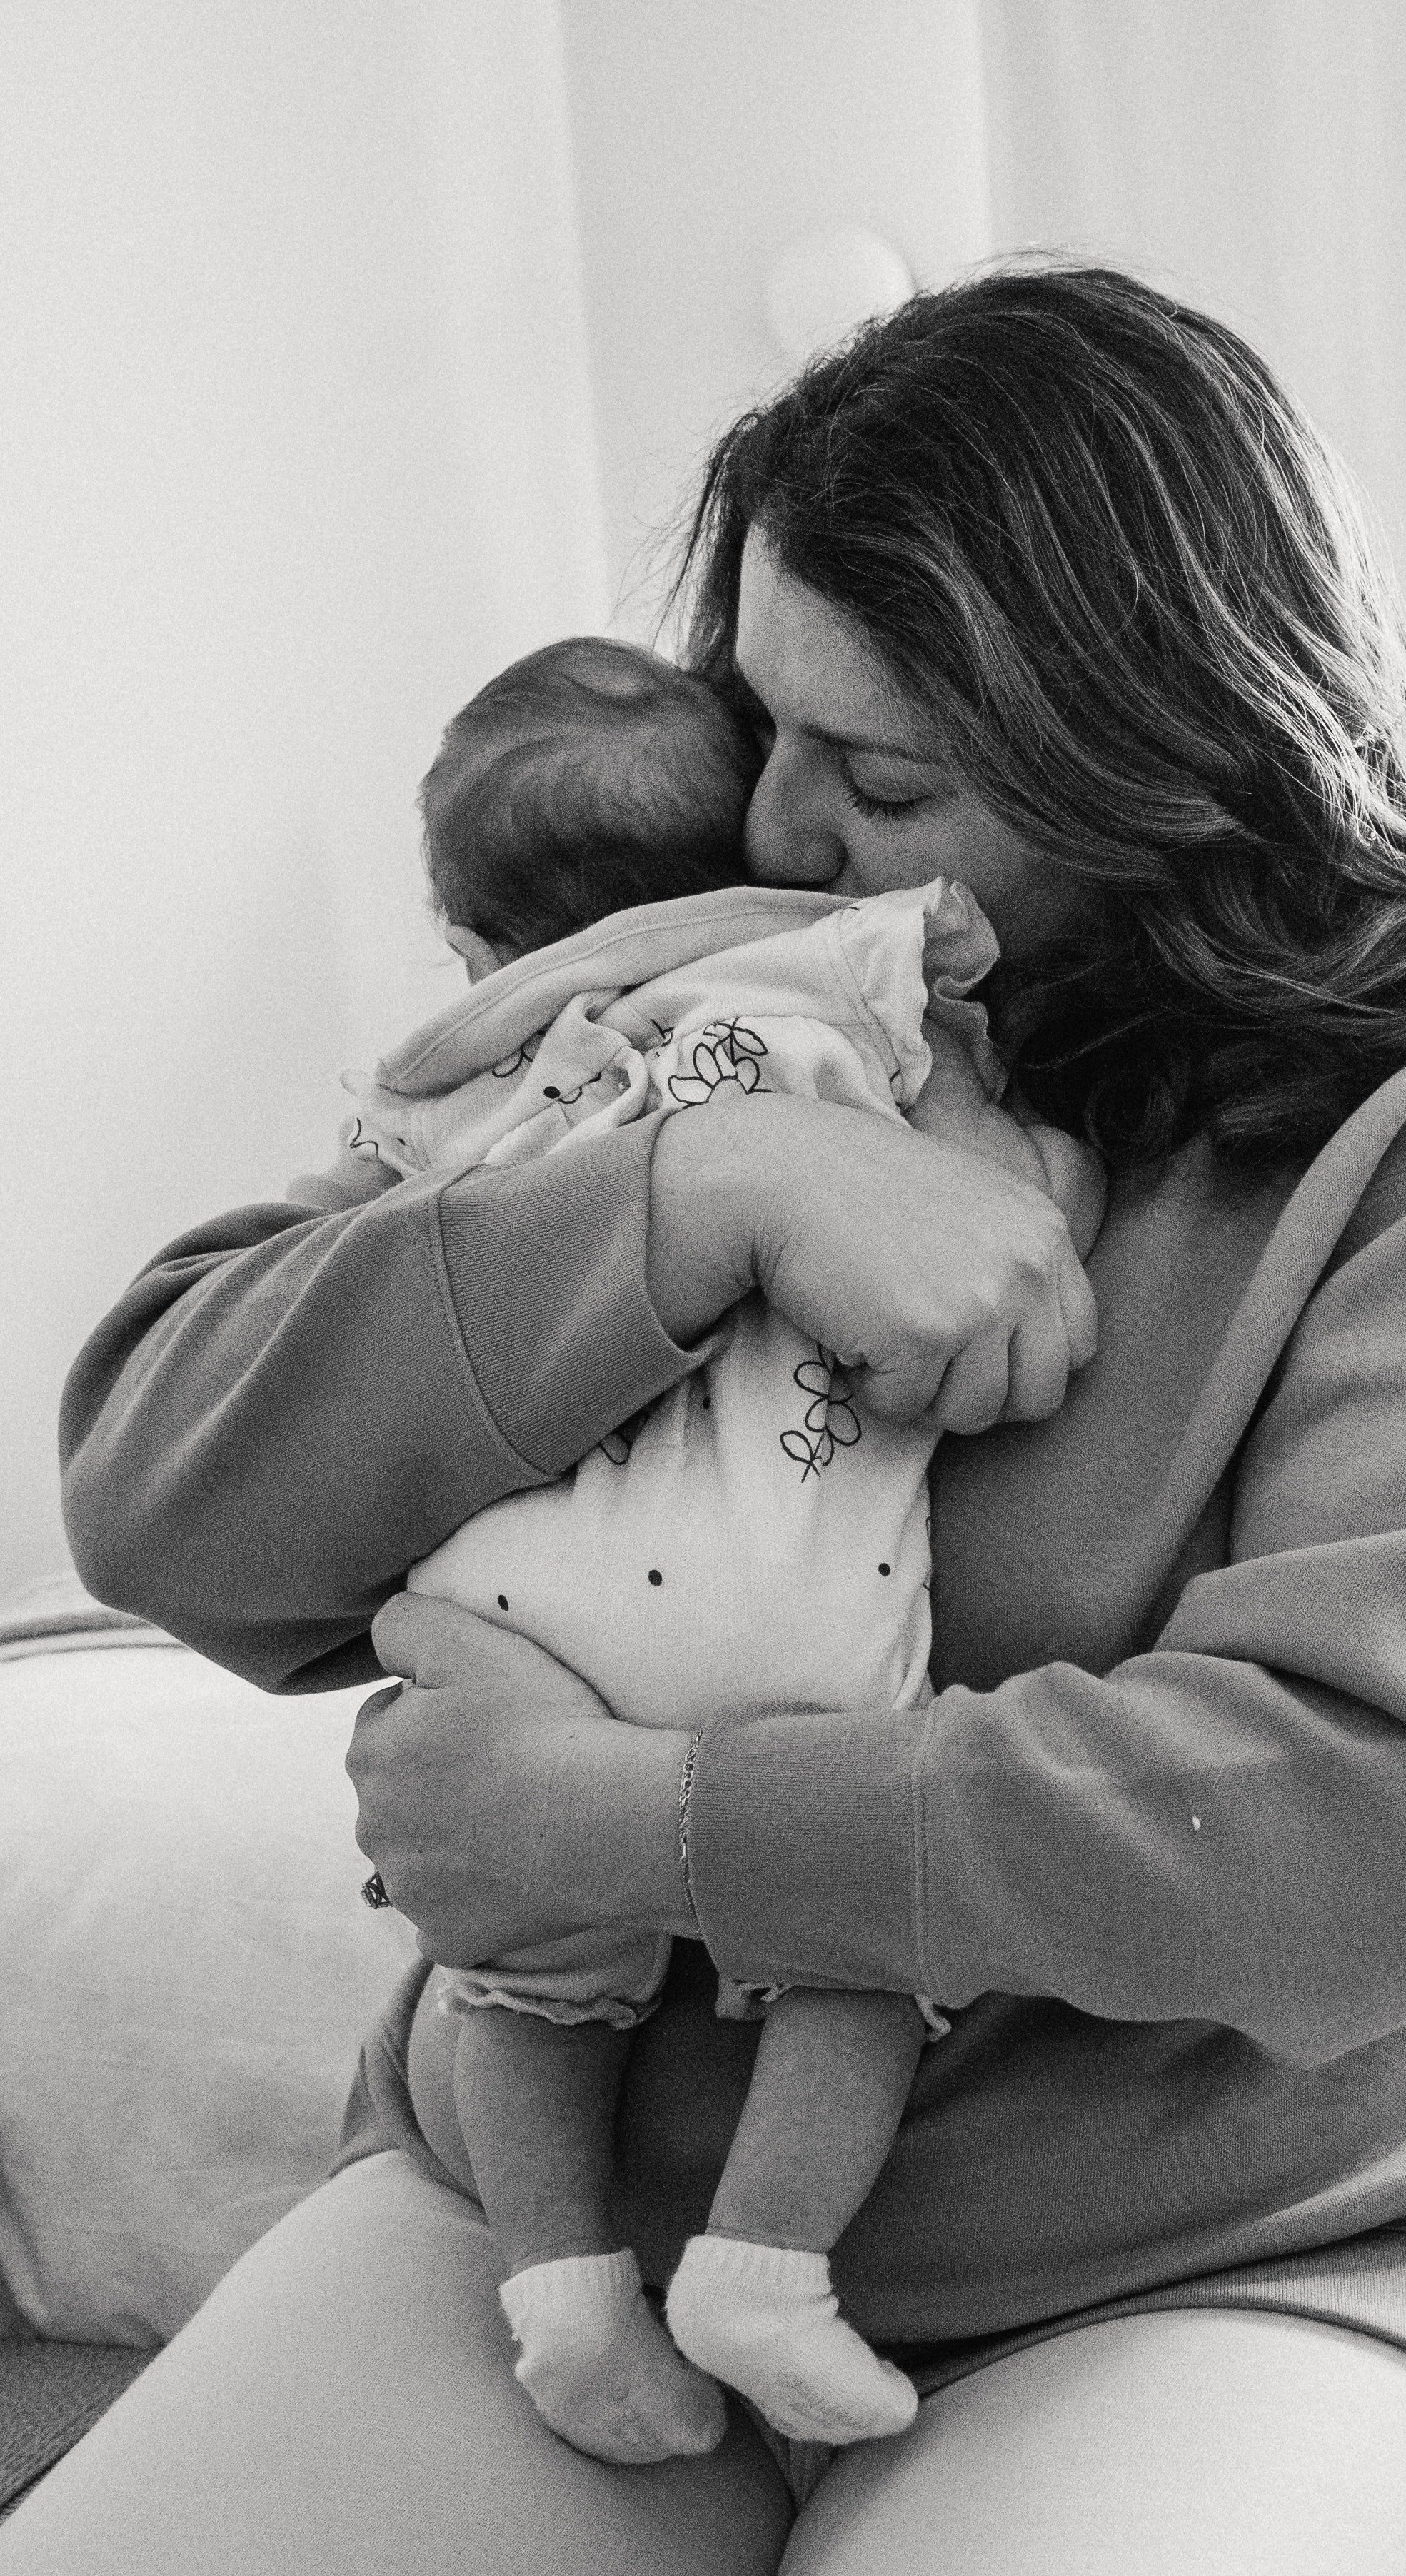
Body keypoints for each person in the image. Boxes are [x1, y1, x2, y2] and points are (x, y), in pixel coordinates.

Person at [0, 259, 1406, 2576]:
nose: (783, 829)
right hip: (577, 2209)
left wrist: (659, 1846)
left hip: (1242, 2246)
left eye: (886, 775)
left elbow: (1369, 1837)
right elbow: (165, 1490)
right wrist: (694, 1192)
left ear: (1170, 758)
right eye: (769, 734)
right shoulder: (703, 1019)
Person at [339, 635, 1109, 2466]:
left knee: (521, 1953)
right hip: (781, 1576)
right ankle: (766, 2266)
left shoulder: (456, 1061)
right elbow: (1015, 1221)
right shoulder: (840, 973)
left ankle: (561, 2291)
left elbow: (356, 1293)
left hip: (530, 1583)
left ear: (467, 935)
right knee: (853, 1917)